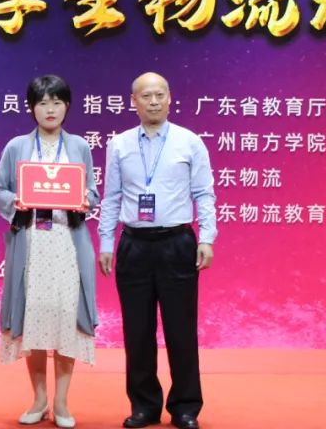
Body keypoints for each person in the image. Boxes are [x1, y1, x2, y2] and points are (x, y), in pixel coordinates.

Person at [98, 72, 216, 429]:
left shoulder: (189, 141)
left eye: (159, 95)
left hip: (177, 244)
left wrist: (207, 237)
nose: (153, 101)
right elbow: (112, 197)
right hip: (134, 244)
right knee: (137, 331)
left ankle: (185, 407)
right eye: (146, 96)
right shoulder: (119, 144)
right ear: (132, 101)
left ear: (169, 98)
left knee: (181, 330)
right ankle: (144, 406)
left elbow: (204, 193)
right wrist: (107, 242)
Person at [0, 75, 98, 429]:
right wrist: (16, 202)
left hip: (68, 242)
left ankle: (62, 403)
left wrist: (85, 201)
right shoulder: (17, 147)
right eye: (42, 102)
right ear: (31, 108)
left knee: (66, 319)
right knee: (33, 320)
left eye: (56, 101)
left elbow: (93, 192)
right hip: (32, 243)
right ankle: (39, 399)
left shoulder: (79, 146)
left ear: (67, 106)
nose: (50, 109)